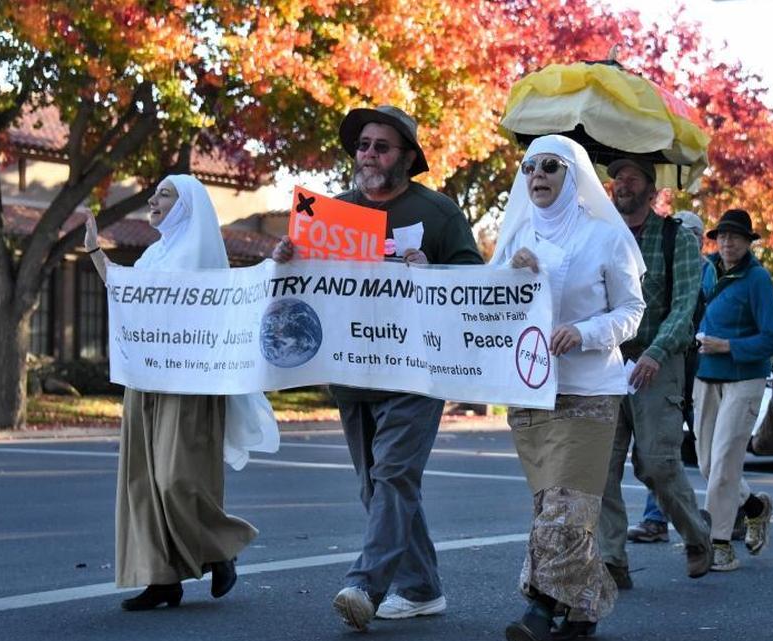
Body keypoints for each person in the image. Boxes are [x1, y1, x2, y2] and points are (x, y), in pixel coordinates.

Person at [272, 105, 483, 631]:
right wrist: (287, 261)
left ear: (407, 157)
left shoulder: (438, 213)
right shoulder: (330, 213)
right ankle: (421, 588)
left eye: (381, 146)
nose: (368, 154)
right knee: (377, 486)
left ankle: (365, 584)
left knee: (393, 474)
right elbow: (310, 285)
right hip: (353, 374)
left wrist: (433, 272)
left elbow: (475, 281)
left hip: (416, 371)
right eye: (363, 144)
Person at [83, 174, 280, 611]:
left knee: (176, 480)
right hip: (146, 381)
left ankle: (221, 548)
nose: (153, 200)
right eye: (154, 194)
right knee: (143, 484)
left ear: (189, 206)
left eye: (165, 195)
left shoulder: (206, 260)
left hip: (191, 385)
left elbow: (234, 314)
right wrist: (96, 251)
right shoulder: (154, 255)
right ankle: (161, 580)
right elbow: (124, 294)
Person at [492, 135, 645, 641]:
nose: (537, 174)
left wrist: (584, 333)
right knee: (554, 509)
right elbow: (483, 307)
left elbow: (632, 312)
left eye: (550, 166)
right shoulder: (514, 237)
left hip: (590, 390)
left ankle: (538, 608)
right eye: (529, 166)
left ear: (572, 175)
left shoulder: (605, 237)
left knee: (565, 506)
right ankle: (584, 609)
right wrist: (509, 280)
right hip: (531, 389)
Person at [598, 159, 712, 589]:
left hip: (657, 361)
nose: (622, 184)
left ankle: (698, 536)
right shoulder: (601, 236)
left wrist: (657, 352)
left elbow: (684, 306)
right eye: (617, 177)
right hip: (606, 362)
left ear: (651, 190)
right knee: (601, 467)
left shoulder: (676, 238)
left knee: (657, 463)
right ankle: (611, 560)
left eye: (633, 178)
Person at [692, 208, 773, 571]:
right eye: (722, 236)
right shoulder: (708, 271)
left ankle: (719, 546)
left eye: (735, 237)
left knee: (726, 463)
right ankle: (755, 509)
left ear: (748, 242)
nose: (727, 242)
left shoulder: (757, 279)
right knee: (707, 464)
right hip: (706, 375)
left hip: (744, 378)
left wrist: (729, 347)